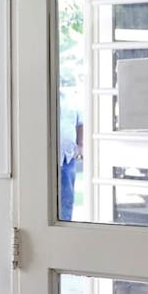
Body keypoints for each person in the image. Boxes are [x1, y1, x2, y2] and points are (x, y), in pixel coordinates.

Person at [59, 87, 83, 221]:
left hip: (67, 158)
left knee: (67, 199)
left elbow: (80, 124)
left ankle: (65, 226)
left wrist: (80, 146)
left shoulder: (72, 99)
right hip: (46, 158)